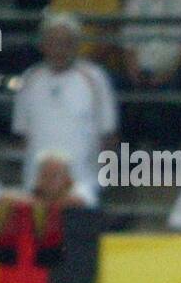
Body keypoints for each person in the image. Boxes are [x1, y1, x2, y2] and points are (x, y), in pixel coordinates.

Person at [12, 14, 119, 207]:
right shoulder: (30, 78)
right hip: (36, 186)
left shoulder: (95, 78)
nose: (59, 49)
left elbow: (108, 134)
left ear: (76, 45)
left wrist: (103, 180)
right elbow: (22, 134)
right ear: (43, 45)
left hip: (82, 185)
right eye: (53, 42)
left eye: (66, 43)